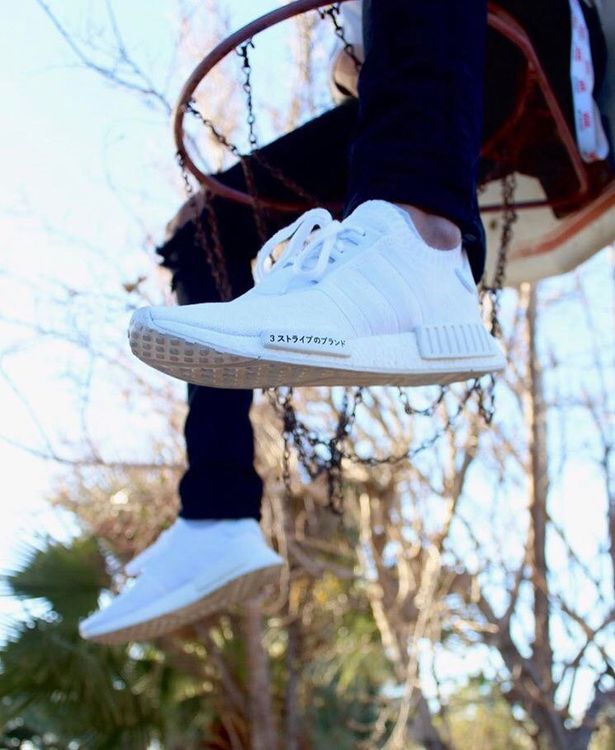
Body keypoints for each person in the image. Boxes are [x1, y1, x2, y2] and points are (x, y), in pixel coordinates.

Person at [80, 0, 610, 643]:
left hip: (529, 43)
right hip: (422, 88)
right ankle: (216, 517)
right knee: (205, 230)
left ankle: (421, 250)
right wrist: (349, 66)